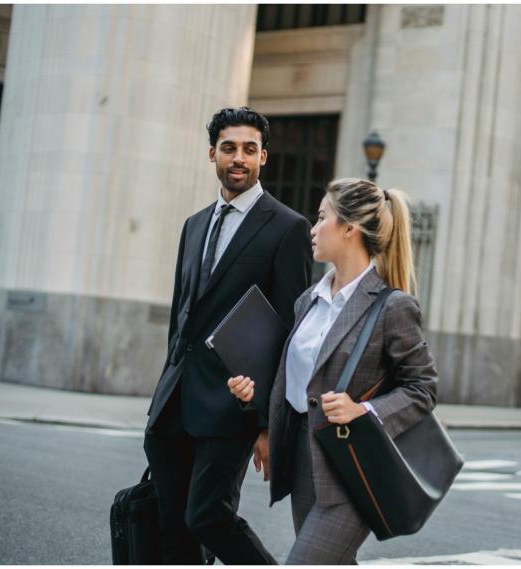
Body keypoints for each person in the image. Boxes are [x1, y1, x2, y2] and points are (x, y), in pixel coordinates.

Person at [227, 178, 439, 564]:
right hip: (303, 459)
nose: (312, 227)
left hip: (352, 470)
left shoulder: (392, 307)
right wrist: (262, 418)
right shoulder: (309, 299)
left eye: (322, 217)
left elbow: (423, 388)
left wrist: (365, 411)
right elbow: (294, 378)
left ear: (349, 229)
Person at [144, 106, 313, 564]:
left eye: (249, 149)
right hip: (175, 399)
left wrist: (266, 420)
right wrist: (165, 387)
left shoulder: (287, 227)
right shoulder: (194, 224)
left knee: (208, 516)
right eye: (229, 148)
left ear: (264, 158)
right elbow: (185, 314)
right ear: (212, 154)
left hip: (234, 402)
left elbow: (290, 329)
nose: (239, 157)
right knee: (172, 523)